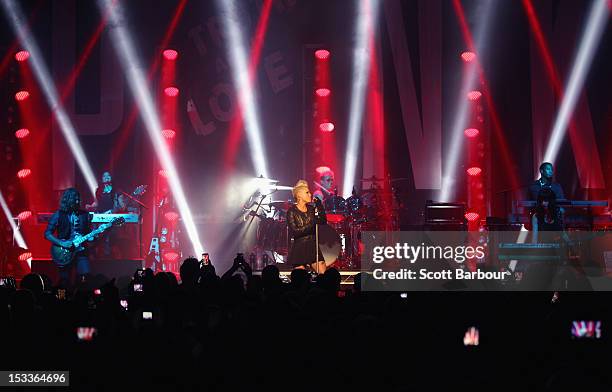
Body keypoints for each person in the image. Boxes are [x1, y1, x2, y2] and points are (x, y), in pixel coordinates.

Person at [44, 188, 92, 287]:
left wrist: (92, 237)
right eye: (75, 199)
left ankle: (82, 300)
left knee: (85, 279)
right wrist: (62, 243)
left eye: (78, 199)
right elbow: (47, 233)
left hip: (81, 251)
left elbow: (88, 233)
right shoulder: (59, 215)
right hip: (65, 252)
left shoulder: (85, 215)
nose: (78, 201)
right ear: (68, 200)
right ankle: (62, 301)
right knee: (64, 281)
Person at [287, 180, 327, 273]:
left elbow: (323, 221)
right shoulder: (292, 211)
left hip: (313, 246)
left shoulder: (311, 209)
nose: (310, 194)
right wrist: (312, 223)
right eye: (307, 192)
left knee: (322, 273)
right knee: (300, 278)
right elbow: (295, 231)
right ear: (299, 195)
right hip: (300, 247)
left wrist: (319, 206)